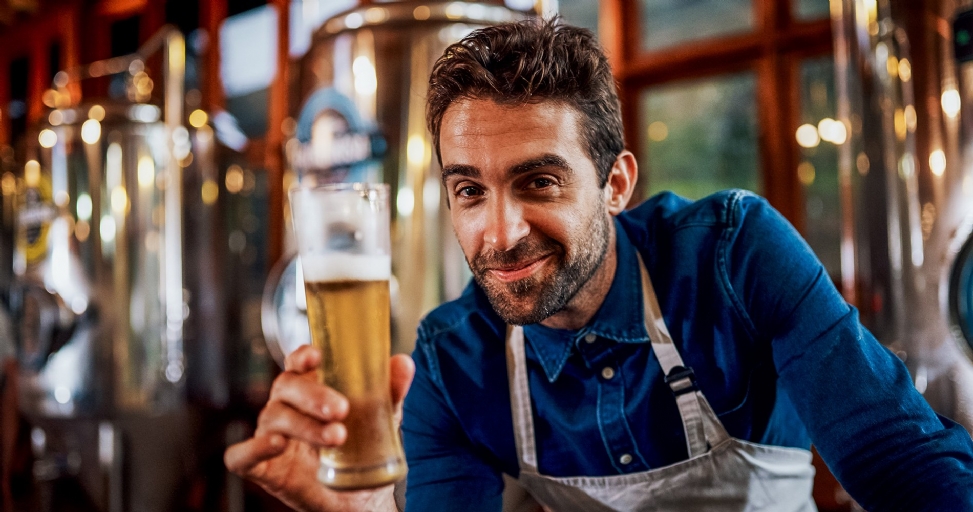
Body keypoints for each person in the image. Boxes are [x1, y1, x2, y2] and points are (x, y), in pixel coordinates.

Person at [225, 18, 973, 512]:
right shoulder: (452, 363)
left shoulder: (730, 255)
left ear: (615, 183)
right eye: (468, 191)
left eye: (538, 182)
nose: (500, 232)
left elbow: (898, 459)